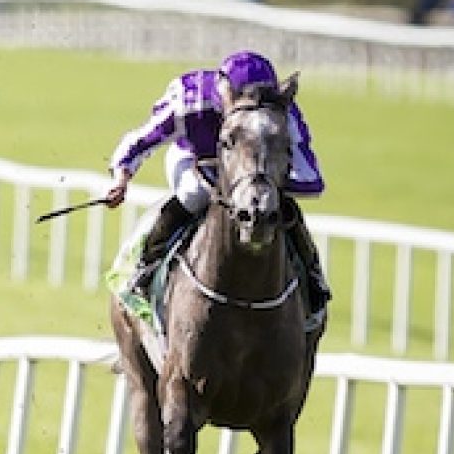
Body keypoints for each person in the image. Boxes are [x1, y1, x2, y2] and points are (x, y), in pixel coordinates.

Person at [106, 50, 330, 313]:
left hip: (256, 170)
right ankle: (147, 266)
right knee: (193, 194)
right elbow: (141, 140)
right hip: (194, 157)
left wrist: (259, 183)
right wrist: (121, 177)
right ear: (224, 91)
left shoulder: (280, 115)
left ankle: (312, 276)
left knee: (275, 204)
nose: (256, 108)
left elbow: (312, 178)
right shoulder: (190, 99)